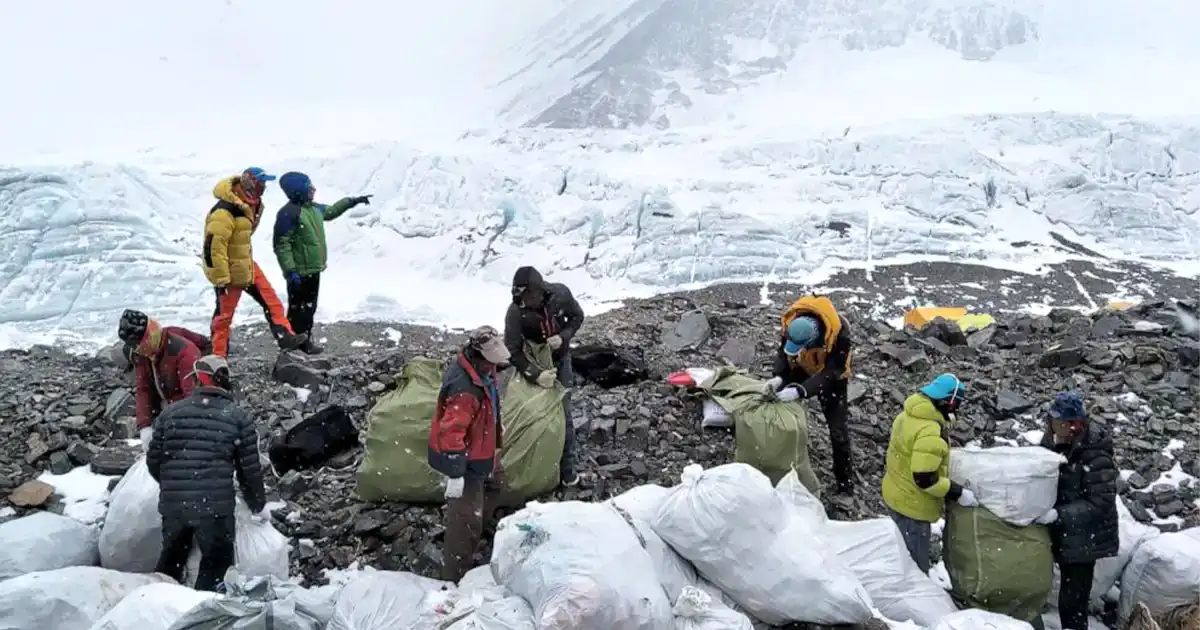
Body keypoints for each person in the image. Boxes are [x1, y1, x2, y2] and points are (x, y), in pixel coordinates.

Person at [146, 354, 267, 592]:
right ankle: (203, 616)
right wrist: (257, 505)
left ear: (200, 379)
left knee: (170, 563)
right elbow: (249, 471)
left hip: (174, 506)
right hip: (215, 510)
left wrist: (175, 484)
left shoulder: (170, 414)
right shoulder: (238, 418)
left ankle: (159, 608)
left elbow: (153, 461)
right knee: (215, 570)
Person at [427, 326, 510, 582]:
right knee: (464, 521)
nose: (494, 367)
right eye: (491, 362)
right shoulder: (464, 389)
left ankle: (480, 534)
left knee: (496, 486)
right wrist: (455, 473)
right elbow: (451, 432)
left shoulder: (483, 371)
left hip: (483, 449)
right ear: (477, 356)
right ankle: (454, 579)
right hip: (467, 460)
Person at [202, 167, 307, 357]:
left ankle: (285, 337)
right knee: (223, 318)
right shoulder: (225, 212)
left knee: (271, 300)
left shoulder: (249, 204)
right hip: (229, 272)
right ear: (250, 182)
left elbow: (242, 235)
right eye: (261, 182)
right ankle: (217, 358)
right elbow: (212, 248)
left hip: (246, 263)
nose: (263, 187)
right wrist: (221, 278)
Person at [1038, 392, 1119, 630]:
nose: (1055, 428)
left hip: (1085, 537)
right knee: (1066, 593)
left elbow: (1101, 501)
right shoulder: (1055, 441)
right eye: (1053, 422)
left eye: (1061, 423)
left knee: (1073, 600)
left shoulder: (1094, 453)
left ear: (1075, 424)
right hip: (1064, 532)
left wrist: (1059, 515)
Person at [880, 373, 976, 573]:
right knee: (914, 567)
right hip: (912, 507)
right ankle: (912, 599)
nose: (956, 410)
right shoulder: (930, 431)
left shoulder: (908, 414)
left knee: (899, 552)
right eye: (956, 405)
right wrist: (957, 493)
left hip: (895, 493)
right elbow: (925, 479)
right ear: (946, 402)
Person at [764, 294, 856, 494]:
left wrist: (801, 390)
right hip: (804, 366)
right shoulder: (793, 324)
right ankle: (780, 465)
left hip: (832, 378)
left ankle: (845, 484)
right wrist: (779, 377)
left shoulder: (840, 334)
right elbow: (784, 353)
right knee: (775, 403)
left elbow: (833, 371)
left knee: (838, 432)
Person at [272, 171, 372, 354]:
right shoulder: (289, 213)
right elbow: (281, 245)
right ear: (298, 191)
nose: (313, 190)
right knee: (297, 310)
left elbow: (332, 211)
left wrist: (352, 201)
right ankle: (293, 343)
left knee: (309, 308)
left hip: (313, 269)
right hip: (299, 272)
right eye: (309, 187)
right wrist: (290, 271)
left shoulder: (313, 209)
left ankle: (304, 340)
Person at [504, 266, 586, 487]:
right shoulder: (515, 312)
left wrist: (563, 336)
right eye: (519, 298)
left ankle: (567, 471)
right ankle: (535, 467)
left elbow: (577, 316)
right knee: (532, 410)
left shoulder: (560, 294)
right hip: (533, 361)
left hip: (561, 359)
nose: (524, 302)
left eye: (527, 297)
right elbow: (512, 350)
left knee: (563, 411)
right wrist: (536, 375)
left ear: (538, 291)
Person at [116, 309, 208, 451]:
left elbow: (193, 397)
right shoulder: (141, 354)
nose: (141, 351)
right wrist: (145, 426)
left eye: (142, 347)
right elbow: (143, 388)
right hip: (165, 408)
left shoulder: (184, 351)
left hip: (185, 407)